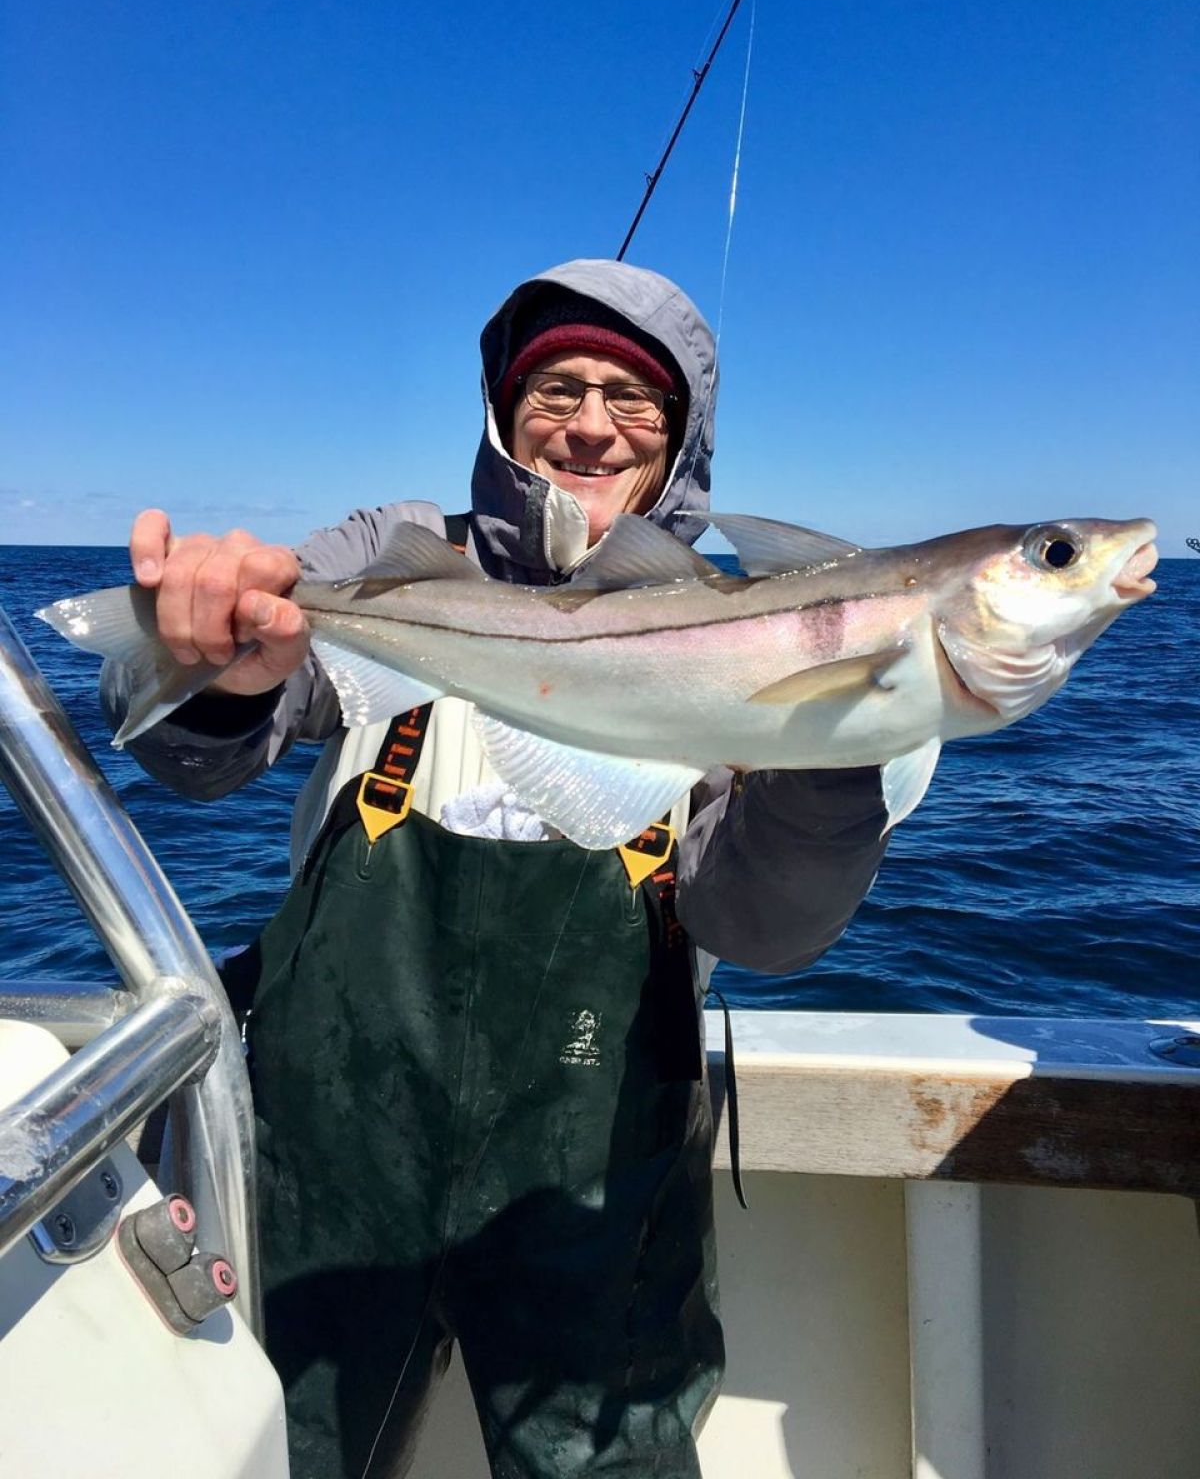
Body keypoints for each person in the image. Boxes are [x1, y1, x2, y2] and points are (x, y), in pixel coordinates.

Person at [103, 258, 891, 1479]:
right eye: (556, 387)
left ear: (682, 438)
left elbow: (763, 922)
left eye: (634, 398)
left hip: (595, 1184)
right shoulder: (398, 552)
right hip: (330, 1167)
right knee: (287, 1450)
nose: (588, 423)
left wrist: (830, 753)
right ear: (500, 409)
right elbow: (199, 760)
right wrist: (209, 661)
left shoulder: (749, 629)